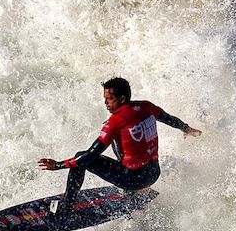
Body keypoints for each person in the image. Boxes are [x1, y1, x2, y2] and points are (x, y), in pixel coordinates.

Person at [37, 77, 202, 215]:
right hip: (154, 173)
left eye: (109, 99)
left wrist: (58, 165)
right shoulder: (147, 107)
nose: (105, 103)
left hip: (133, 179)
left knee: (80, 158)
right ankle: (134, 194)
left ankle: (66, 207)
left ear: (122, 99)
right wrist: (187, 129)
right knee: (128, 143)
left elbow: (89, 156)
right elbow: (169, 119)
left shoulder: (115, 121)